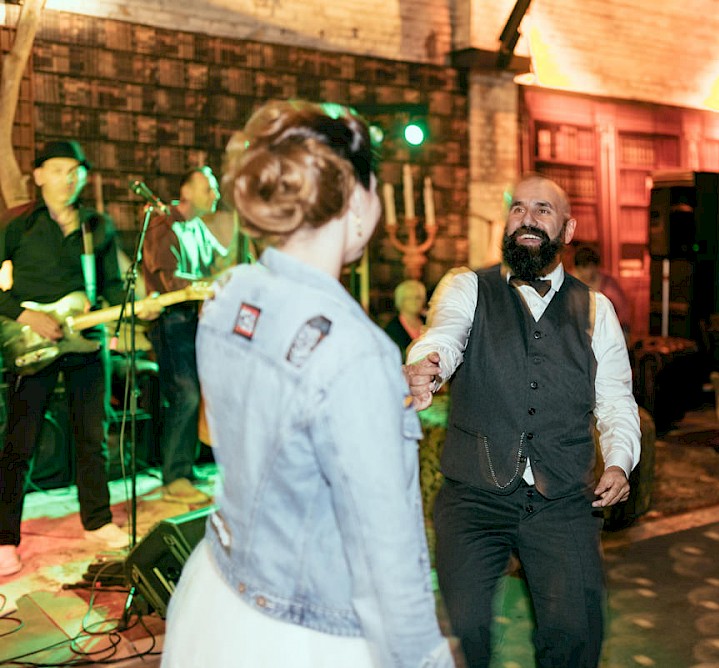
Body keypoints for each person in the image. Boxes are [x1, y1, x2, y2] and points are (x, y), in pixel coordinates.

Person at [161, 100, 453, 667]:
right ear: (357, 199)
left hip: (217, 598)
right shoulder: (356, 351)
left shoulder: (229, 292)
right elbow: (386, 555)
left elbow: (225, 434)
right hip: (306, 631)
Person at [404, 174, 641, 668]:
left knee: (574, 636)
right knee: (464, 630)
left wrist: (618, 462)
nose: (528, 218)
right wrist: (428, 364)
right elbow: (444, 334)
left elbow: (616, 400)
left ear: (568, 229)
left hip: (563, 501)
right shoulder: (467, 285)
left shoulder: (597, 309)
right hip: (473, 497)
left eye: (543, 209)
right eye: (518, 208)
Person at [0, 140, 157, 576]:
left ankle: (97, 520)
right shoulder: (18, 225)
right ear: (39, 175)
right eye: (59, 169)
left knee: (93, 435)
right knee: (19, 441)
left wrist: (108, 304)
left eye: (76, 171)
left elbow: (110, 284)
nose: (69, 178)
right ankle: (4, 538)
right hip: (31, 343)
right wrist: (26, 315)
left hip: (85, 343)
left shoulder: (97, 226)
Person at [141, 166, 226, 505]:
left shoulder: (199, 229)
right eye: (210, 188)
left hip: (197, 320)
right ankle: (174, 477)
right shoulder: (163, 222)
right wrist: (210, 284)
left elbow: (223, 263)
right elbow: (169, 279)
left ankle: (185, 471)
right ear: (187, 191)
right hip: (172, 320)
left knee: (197, 394)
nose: (216, 195)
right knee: (185, 393)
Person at [571, 244, 632, 339]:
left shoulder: (609, 285)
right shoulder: (569, 285)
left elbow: (624, 311)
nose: (588, 272)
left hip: (606, 334)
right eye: (584, 268)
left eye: (591, 267)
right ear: (577, 269)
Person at [383, 278, 426, 360]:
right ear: (400, 300)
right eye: (409, 298)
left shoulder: (429, 322)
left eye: (418, 297)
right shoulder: (392, 329)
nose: (414, 301)